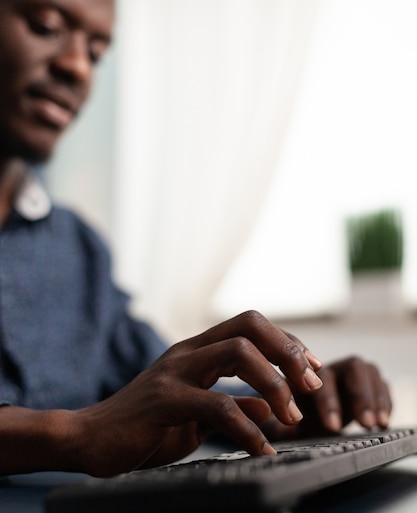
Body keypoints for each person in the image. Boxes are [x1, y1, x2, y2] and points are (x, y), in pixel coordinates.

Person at [0, 0, 391, 478]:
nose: (78, 66)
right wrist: (75, 433)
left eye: (97, 52)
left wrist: (290, 403)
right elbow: (100, 425)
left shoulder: (79, 251)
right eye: (46, 26)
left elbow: (164, 392)